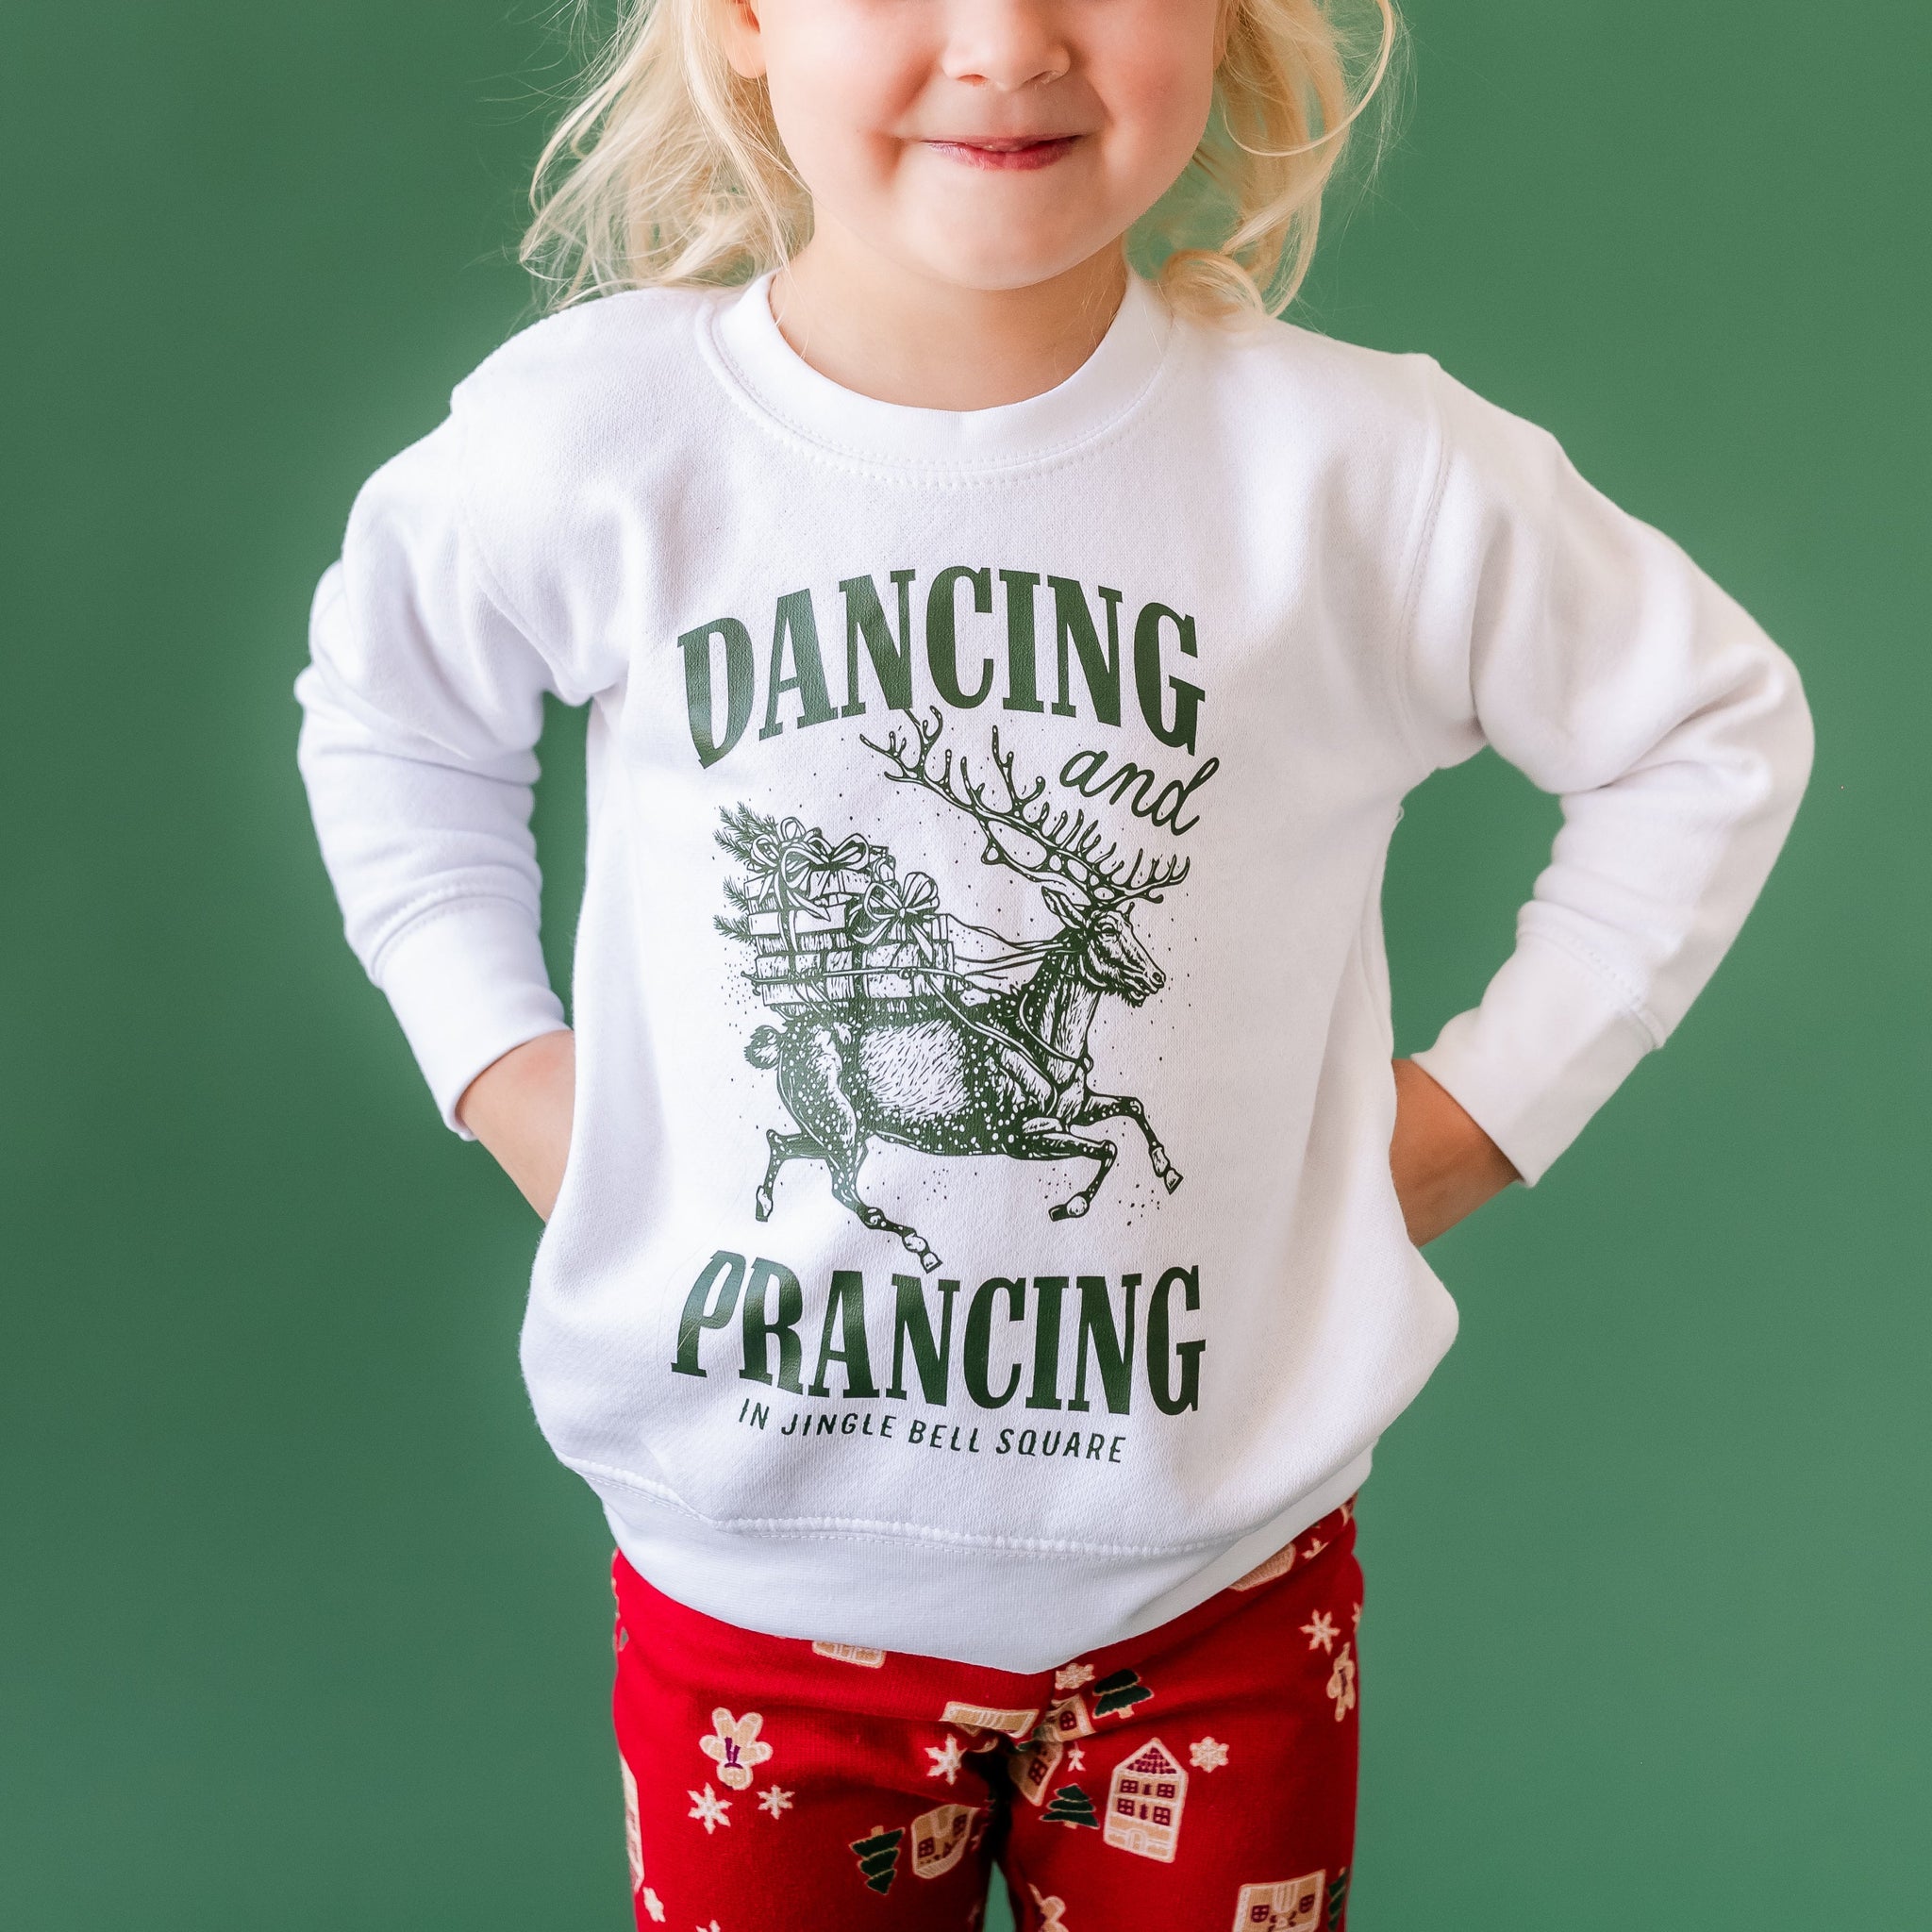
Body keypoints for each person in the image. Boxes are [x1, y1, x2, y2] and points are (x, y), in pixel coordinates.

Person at [295, 1, 1811, 1923]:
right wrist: (512, 1076)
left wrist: (1479, 1116)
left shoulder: (1362, 469)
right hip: (747, 1597)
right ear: (744, 22)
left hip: (1221, 1597)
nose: (1007, 44)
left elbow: (1707, 729)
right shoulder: (597, 438)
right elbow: (395, 721)